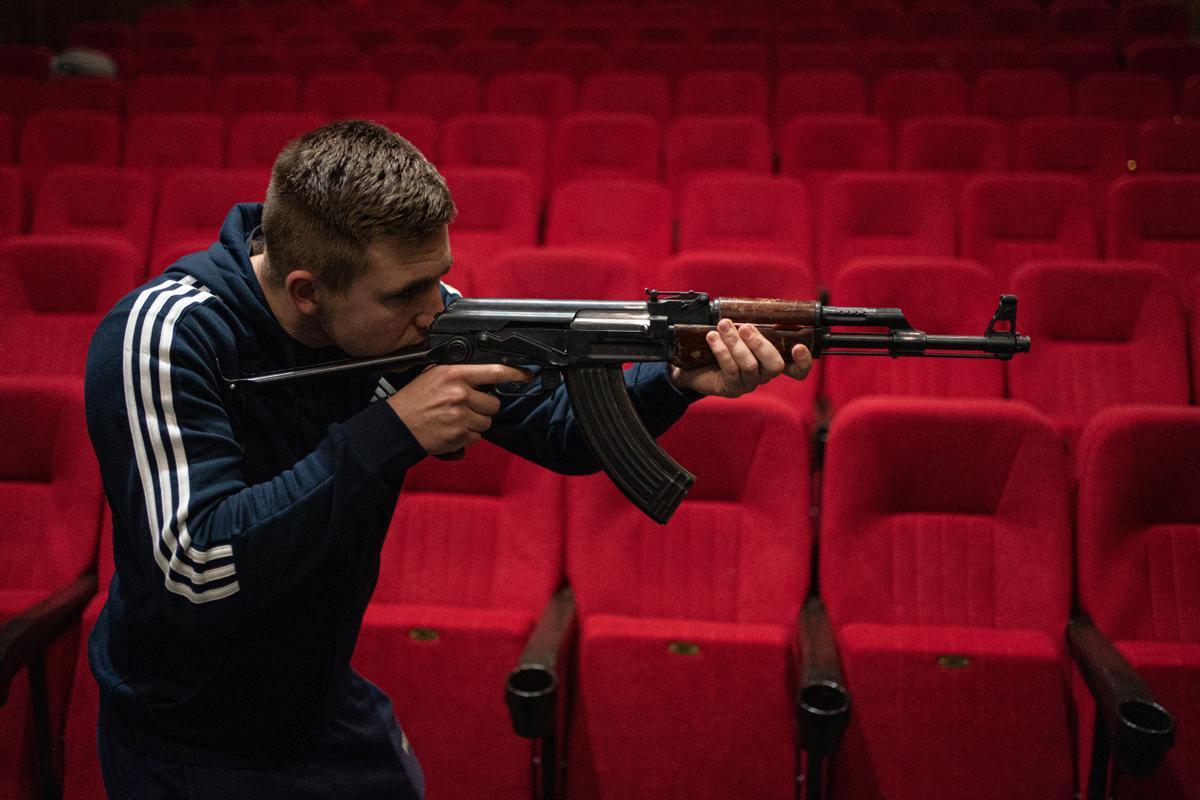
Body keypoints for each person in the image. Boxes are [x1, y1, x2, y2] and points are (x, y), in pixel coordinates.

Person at [83, 119, 812, 799]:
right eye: (408, 292)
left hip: (319, 702)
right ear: (307, 291)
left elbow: (564, 430)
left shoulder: (409, 315)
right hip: (189, 742)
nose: (438, 310)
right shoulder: (168, 334)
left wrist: (679, 377)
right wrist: (392, 430)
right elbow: (194, 566)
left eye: (440, 275)